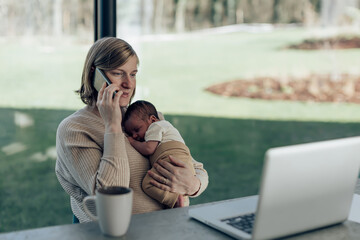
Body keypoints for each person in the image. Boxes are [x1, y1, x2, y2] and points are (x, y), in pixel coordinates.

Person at [55, 37, 208, 223]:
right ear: (95, 75)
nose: (128, 84)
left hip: (169, 228)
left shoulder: (145, 118)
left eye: (133, 74)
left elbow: (197, 168)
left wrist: (192, 185)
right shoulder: (74, 129)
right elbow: (111, 195)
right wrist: (112, 126)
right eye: (118, 73)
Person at [123, 100, 195, 208]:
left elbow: (148, 149)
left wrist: (133, 142)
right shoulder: (165, 126)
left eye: (137, 130)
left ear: (152, 119)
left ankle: (175, 200)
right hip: (184, 160)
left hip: (171, 155)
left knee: (148, 184)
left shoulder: (155, 126)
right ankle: (181, 197)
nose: (134, 136)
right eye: (131, 134)